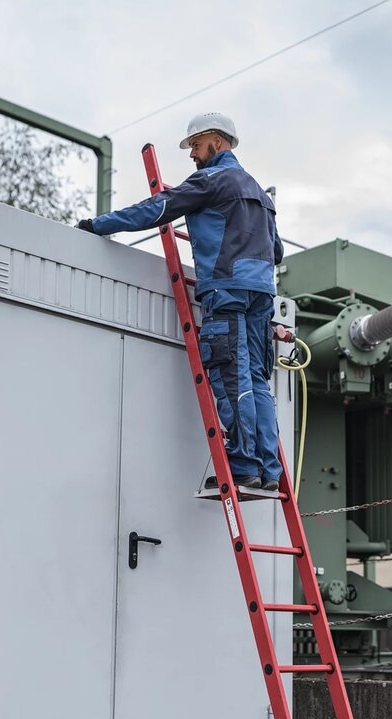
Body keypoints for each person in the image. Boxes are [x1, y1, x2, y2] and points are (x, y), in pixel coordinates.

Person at [76, 112, 284, 491]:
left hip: (227, 290)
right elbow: (278, 251)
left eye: (195, 145)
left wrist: (99, 225)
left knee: (230, 374)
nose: (192, 154)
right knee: (256, 378)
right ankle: (270, 471)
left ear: (217, 142)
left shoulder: (211, 179)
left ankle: (242, 465)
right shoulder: (259, 194)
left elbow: (156, 210)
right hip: (262, 295)